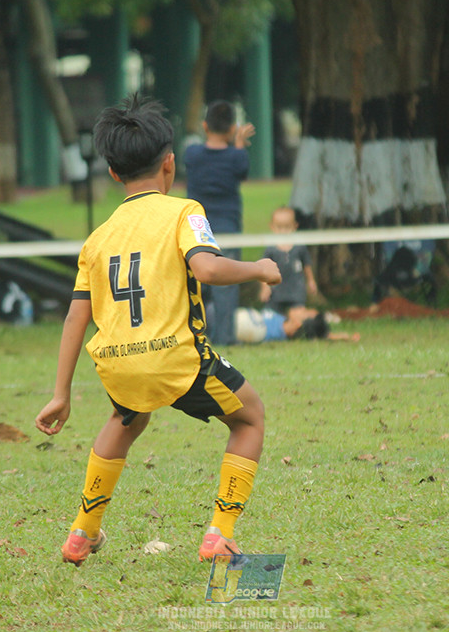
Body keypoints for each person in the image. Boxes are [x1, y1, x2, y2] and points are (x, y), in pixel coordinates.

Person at [34, 94, 281, 568]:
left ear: (113, 174)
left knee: (127, 419)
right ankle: (219, 535)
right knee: (249, 417)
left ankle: (82, 533)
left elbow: (74, 318)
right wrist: (259, 269)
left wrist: (61, 393)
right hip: (176, 358)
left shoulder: (98, 237)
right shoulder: (184, 211)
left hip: (121, 364)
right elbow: (206, 269)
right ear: (169, 165)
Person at [184, 100, 255, 344]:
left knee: (193, 287)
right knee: (226, 288)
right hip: (228, 229)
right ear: (232, 128)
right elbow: (241, 168)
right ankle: (224, 340)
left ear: (205, 125)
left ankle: (193, 339)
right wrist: (238, 144)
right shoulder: (237, 157)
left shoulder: (191, 154)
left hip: (196, 230)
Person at [258, 206, 319, 315]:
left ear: (295, 226)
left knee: (298, 315)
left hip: (296, 291)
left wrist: (311, 281)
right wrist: (264, 287)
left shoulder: (299, 247)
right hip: (276, 292)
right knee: (273, 316)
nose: (283, 231)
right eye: (279, 227)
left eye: (287, 227)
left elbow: (307, 265)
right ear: (272, 227)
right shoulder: (271, 249)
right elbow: (263, 269)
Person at [235, 306, 359, 344]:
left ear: (298, 324)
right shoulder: (281, 318)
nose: (301, 307)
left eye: (305, 311)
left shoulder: (269, 331)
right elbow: (325, 335)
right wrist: (344, 336)